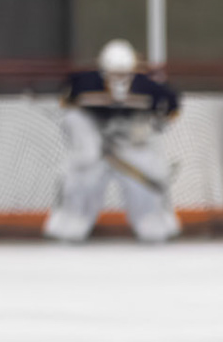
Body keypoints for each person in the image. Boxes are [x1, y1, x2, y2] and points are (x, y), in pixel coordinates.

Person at [43, 39, 180, 244]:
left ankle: (153, 221)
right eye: (113, 74)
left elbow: (172, 107)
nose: (119, 79)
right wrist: (87, 135)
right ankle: (71, 220)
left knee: (147, 181)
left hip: (129, 144)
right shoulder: (83, 83)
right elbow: (69, 110)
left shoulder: (148, 87)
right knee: (81, 176)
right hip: (94, 145)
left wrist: (151, 127)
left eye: (123, 74)